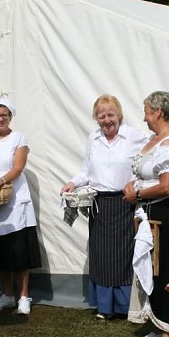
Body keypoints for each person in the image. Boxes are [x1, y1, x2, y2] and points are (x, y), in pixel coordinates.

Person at [61, 95, 147, 319]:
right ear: (96, 119)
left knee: (123, 255)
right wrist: (72, 182)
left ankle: (125, 305)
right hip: (99, 205)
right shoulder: (93, 138)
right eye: (101, 116)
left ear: (119, 115)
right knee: (101, 256)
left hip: (124, 204)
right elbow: (87, 171)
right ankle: (104, 307)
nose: (107, 120)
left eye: (111, 114)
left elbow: (147, 167)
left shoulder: (135, 137)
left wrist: (136, 184)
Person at [123, 91, 169, 337]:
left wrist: (136, 193)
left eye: (147, 112)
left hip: (164, 213)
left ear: (158, 112)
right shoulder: (155, 140)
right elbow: (147, 174)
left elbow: (167, 185)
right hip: (148, 212)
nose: (145, 117)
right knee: (150, 268)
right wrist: (134, 185)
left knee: (165, 268)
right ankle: (157, 322)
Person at [0, 98, 42, 315]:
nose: (0, 118)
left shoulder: (18, 138)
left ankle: (24, 296)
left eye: (4, 114)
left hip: (14, 202)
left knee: (18, 251)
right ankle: (6, 295)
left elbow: (18, 167)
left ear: (10, 117)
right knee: (0, 250)